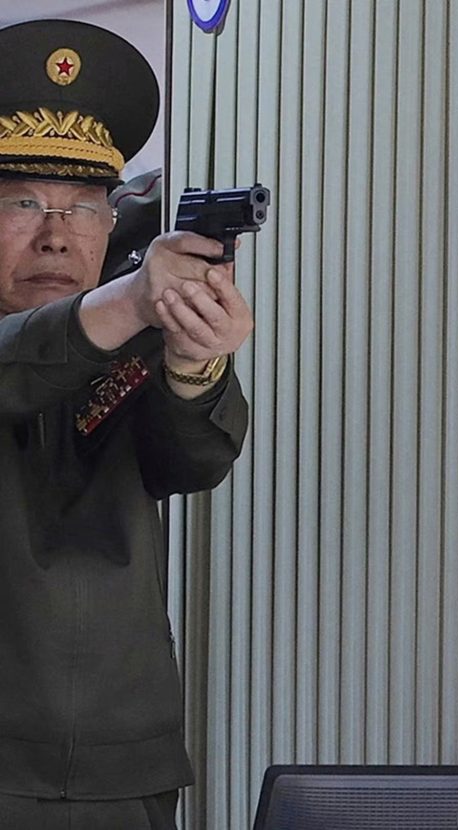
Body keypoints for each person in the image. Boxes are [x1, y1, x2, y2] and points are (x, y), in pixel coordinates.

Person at [0, 18, 257, 830]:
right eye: (24, 202)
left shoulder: (134, 329)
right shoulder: (120, 313)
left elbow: (190, 461)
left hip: (123, 759)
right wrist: (130, 300)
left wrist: (193, 359)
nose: (55, 233)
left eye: (84, 207)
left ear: (114, 224)